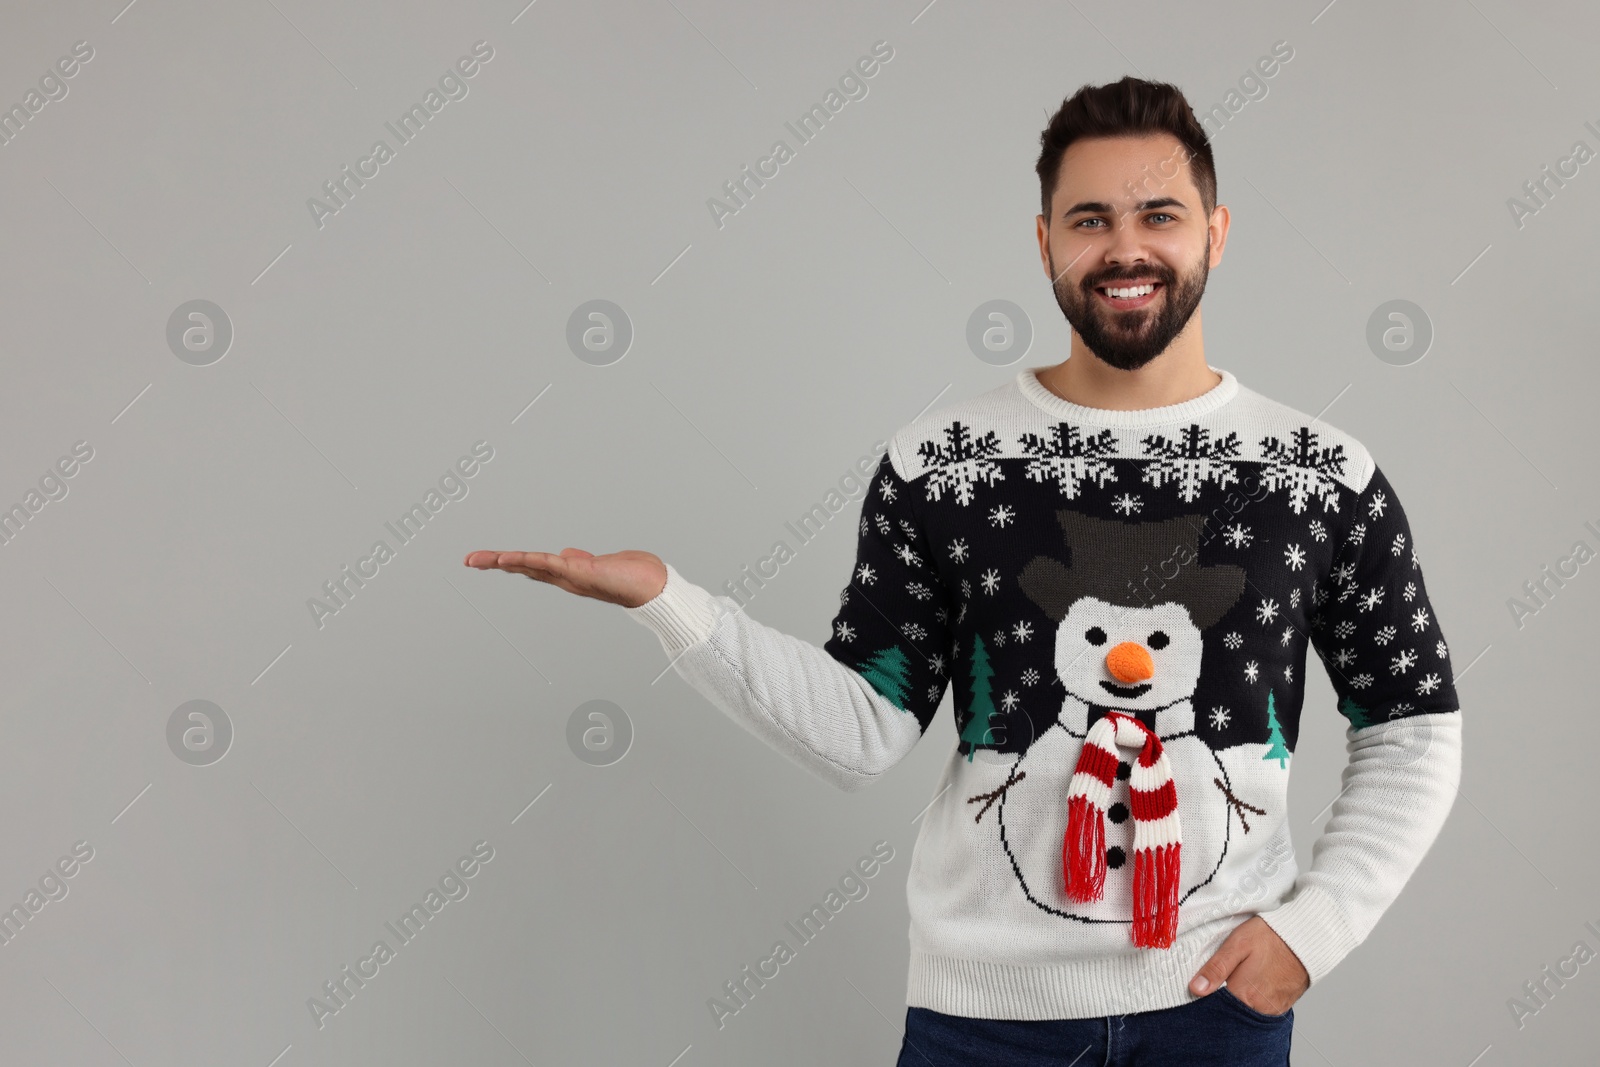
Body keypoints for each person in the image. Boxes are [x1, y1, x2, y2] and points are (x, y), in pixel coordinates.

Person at [464, 76, 1462, 1066]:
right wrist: (667, 602)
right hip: (983, 1026)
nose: (1125, 247)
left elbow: (1412, 724)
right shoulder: (940, 461)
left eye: (1159, 214)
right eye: (1089, 218)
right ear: (1044, 244)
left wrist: (1313, 931)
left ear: (1215, 229)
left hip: (1215, 1015)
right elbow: (863, 724)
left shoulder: (1321, 472)